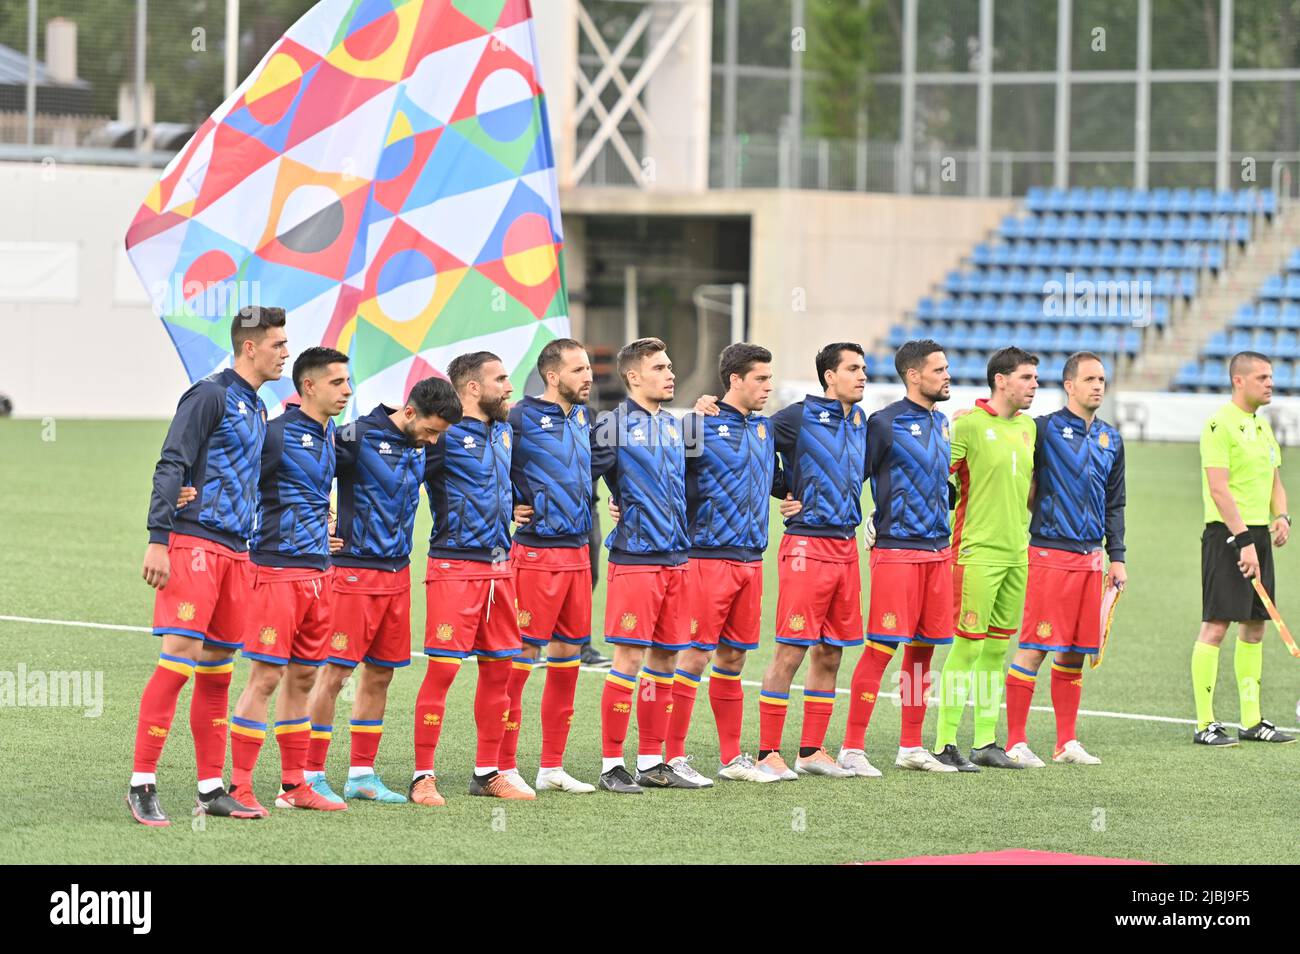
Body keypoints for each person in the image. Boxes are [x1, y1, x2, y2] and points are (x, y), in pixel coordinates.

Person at [128, 305, 287, 827]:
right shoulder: (209, 394)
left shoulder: (257, 407)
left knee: (218, 670)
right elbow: (172, 459)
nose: (284, 352)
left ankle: (210, 787)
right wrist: (159, 537)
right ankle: (142, 783)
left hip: (237, 553)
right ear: (250, 347)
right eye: (277, 344)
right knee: (178, 660)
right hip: (194, 543)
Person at [303, 377, 462, 804]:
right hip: (353, 574)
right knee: (335, 674)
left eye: (439, 436)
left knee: (381, 673)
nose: (433, 442)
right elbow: (307, 473)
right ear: (409, 413)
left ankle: (361, 775)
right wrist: (323, 520)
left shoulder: (426, 443)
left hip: (398, 575)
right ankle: (310, 772)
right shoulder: (357, 435)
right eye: (430, 431)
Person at [226, 348, 352, 814]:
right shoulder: (275, 435)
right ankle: (238, 786)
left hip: (320, 574)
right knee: (265, 677)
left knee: (303, 677)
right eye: (338, 382)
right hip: (275, 571)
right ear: (310, 387)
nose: (347, 391)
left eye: (348, 381)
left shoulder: (330, 434)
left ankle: (293, 785)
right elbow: (236, 480)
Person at [663, 343, 794, 784]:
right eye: (760, 378)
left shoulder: (764, 428)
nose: (768, 386)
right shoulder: (698, 424)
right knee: (694, 655)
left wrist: (792, 496)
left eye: (770, 378)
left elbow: (775, 480)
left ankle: (732, 758)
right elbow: (663, 475)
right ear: (734, 380)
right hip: (706, 557)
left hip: (750, 559)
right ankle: (673, 756)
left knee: (734, 658)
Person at [411, 351, 529, 804]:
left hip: (503, 567)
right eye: (501, 379)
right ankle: (423, 775)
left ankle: (487, 773)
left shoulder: (503, 429)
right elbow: (404, 475)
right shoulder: (442, 433)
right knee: (442, 672)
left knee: (499, 671)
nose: (510, 386)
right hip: (453, 566)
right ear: (473, 388)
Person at [590, 337, 704, 793]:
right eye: (659, 367)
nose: (670, 374)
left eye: (670, 365)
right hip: (635, 560)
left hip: (677, 560)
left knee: (665, 660)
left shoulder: (676, 426)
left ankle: (654, 761)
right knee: (629, 659)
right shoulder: (612, 425)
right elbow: (581, 479)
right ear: (633, 376)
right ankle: (611, 764)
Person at [1003, 351, 1126, 767]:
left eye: (1102, 379)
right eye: (1090, 378)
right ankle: (1015, 742)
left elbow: (1115, 504)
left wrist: (1118, 557)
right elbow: (1017, 466)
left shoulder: (1111, 438)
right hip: (1050, 552)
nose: (1098, 386)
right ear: (1069, 385)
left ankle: (1065, 742)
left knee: (1074, 651)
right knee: (1036, 645)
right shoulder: (1043, 429)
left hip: (1092, 559)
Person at [756, 342, 870, 780]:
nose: (862, 375)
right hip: (807, 547)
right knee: (792, 649)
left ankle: (811, 751)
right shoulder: (798, 416)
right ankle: (768, 753)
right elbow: (756, 444)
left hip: (846, 547)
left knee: (832, 652)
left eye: (863, 368)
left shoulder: (860, 419)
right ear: (829, 376)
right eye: (853, 369)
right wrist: (786, 491)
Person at [844, 339, 959, 774]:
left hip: (937, 551)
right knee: (881, 648)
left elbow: (936, 483)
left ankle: (911, 746)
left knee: (924, 650)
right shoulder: (884, 423)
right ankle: (853, 748)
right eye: (939, 370)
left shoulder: (943, 423)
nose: (947, 376)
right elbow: (853, 474)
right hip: (898, 551)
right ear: (914, 375)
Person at [932, 346, 1038, 771]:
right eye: (1026, 378)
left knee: (998, 650)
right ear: (1001, 380)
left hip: (1017, 554)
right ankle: (944, 743)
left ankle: (986, 743)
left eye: (1035, 378)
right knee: (968, 647)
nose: (1033, 386)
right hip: (975, 552)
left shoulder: (1029, 427)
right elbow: (938, 479)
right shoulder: (969, 426)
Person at [504, 338, 599, 794]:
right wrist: (507, 505)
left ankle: (551, 767)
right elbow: (482, 462)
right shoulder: (518, 417)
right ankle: (501, 766)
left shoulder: (585, 416)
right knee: (519, 661)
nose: (589, 377)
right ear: (553, 376)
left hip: (579, 553)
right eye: (579, 370)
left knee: (567, 659)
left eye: (589, 369)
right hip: (536, 556)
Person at [1193, 350, 1293, 746]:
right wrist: (1244, 541)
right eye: (1263, 378)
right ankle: (1205, 724)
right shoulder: (1220, 425)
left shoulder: (1263, 427)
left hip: (1257, 538)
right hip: (1228, 537)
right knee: (1216, 625)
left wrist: (1282, 516)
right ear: (1239, 381)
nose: (1270, 383)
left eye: (1271, 377)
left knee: (1254, 627)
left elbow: (1274, 481)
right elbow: (1219, 489)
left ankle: (1251, 721)